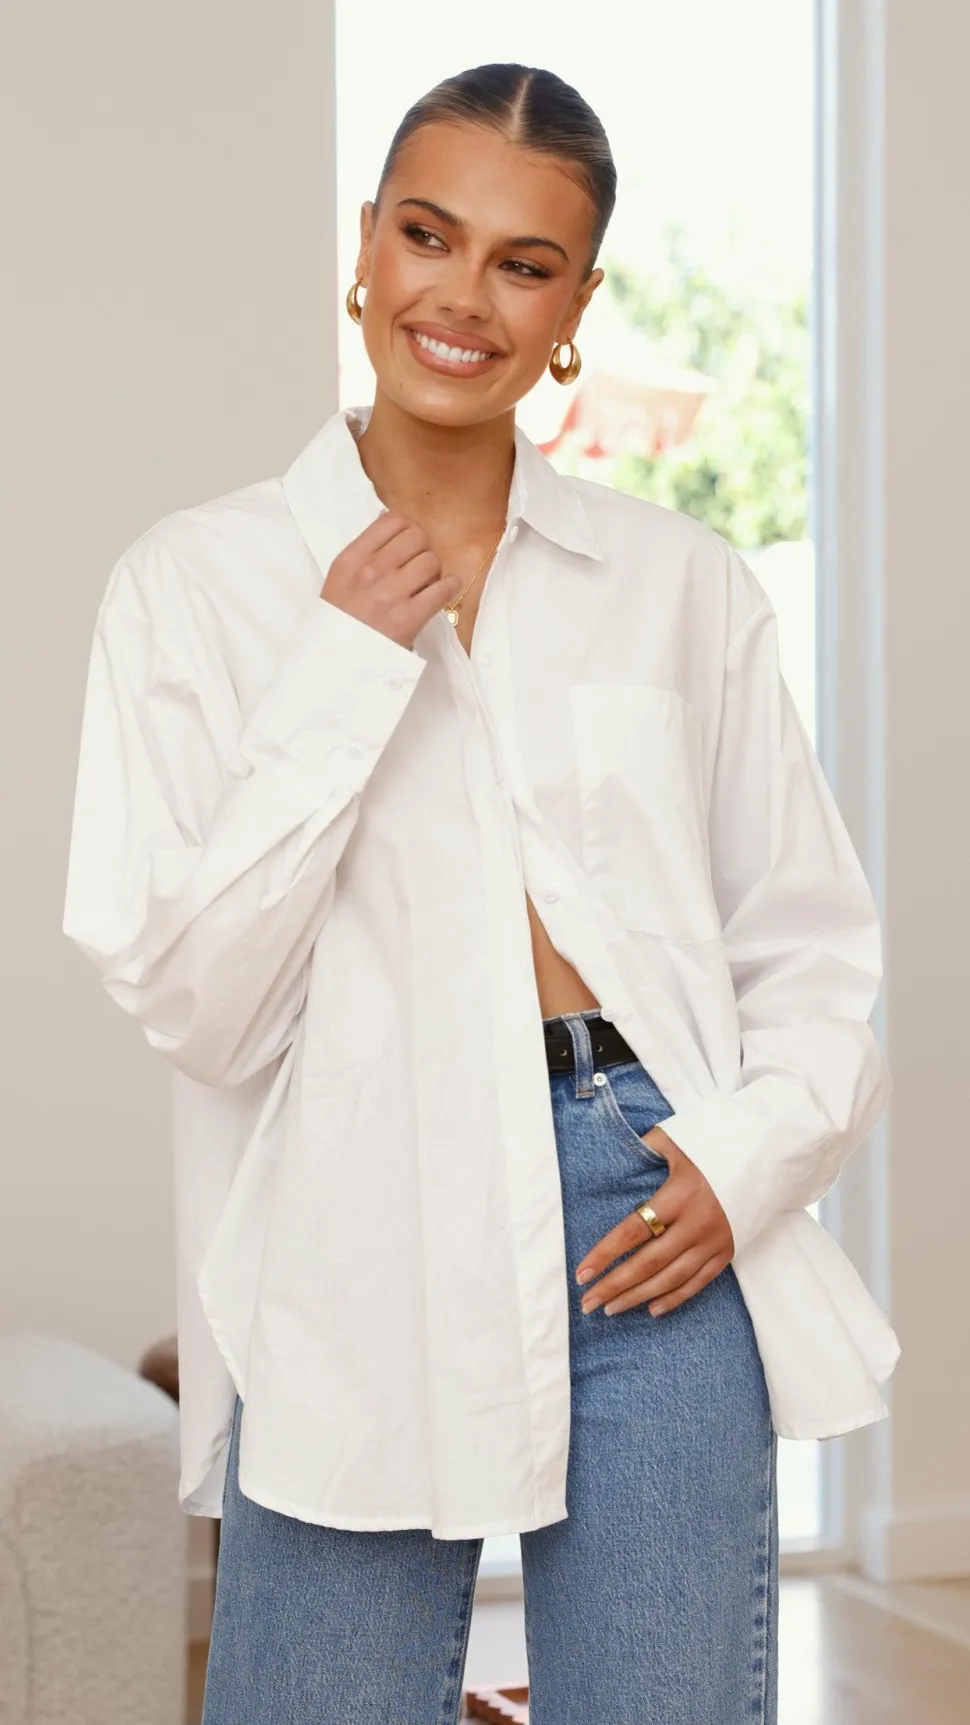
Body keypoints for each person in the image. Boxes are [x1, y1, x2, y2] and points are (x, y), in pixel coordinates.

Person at [63, 60, 898, 1725]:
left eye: (524, 264)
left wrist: (742, 1159)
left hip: (647, 1204)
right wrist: (340, 667)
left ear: (573, 309)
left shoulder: (678, 585)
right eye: (428, 236)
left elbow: (808, 944)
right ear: (364, 245)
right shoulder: (197, 587)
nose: (461, 298)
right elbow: (196, 1003)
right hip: (353, 1211)